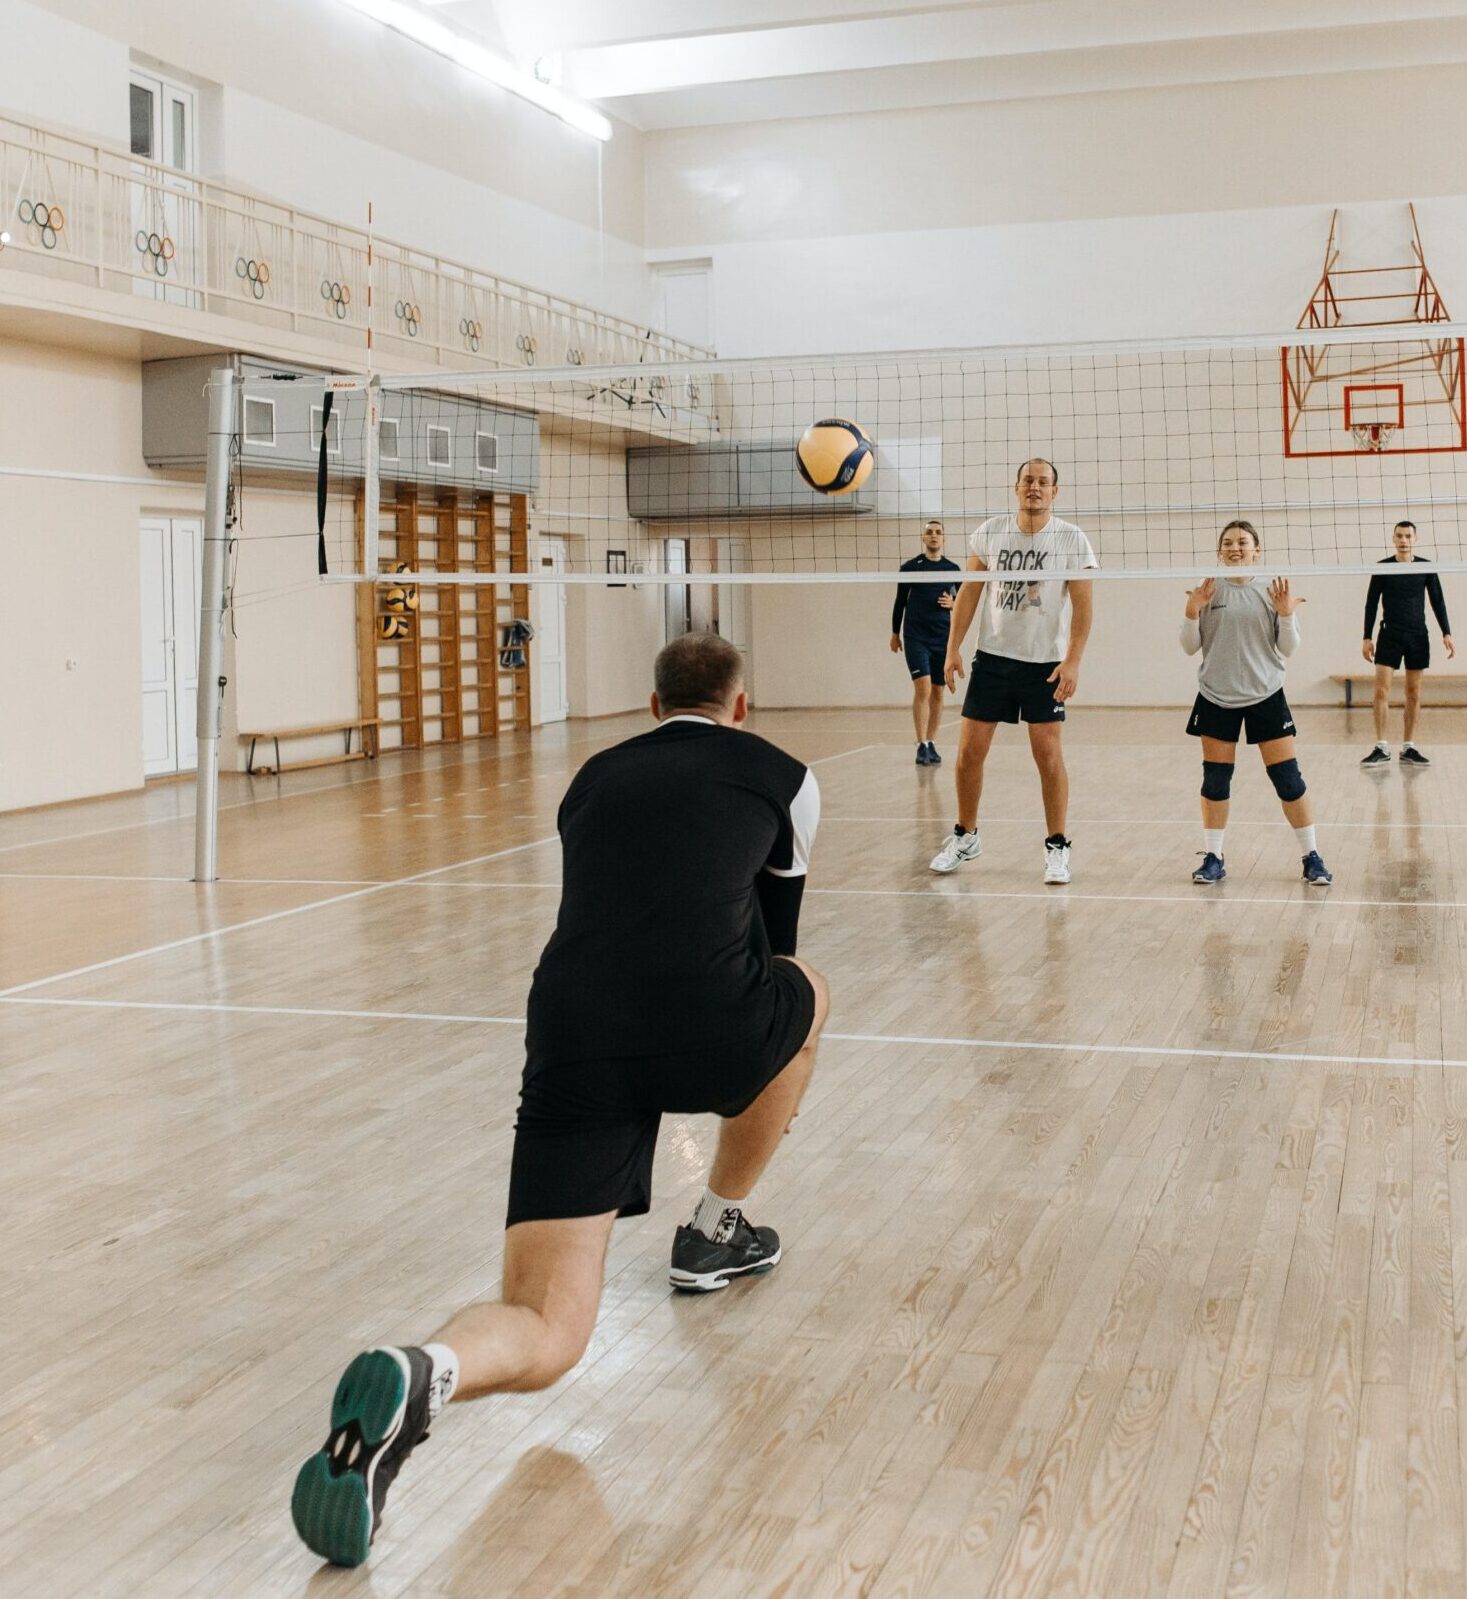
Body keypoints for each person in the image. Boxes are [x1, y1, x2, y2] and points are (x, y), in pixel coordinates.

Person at [290, 633, 829, 1569]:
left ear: (653, 707)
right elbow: (772, 941)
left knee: (548, 1328)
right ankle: (719, 1224)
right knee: (807, 986)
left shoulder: (590, 777)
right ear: (741, 706)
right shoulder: (785, 776)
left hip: (573, 1026)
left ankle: (428, 1370)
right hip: (709, 1020)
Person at [929, 458, 1096, 885]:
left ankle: (1057, 845)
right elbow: (969, 593)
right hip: (994, 659)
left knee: (1049, 756)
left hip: (1045, 663)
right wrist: (953, 649)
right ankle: (966, 835)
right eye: (1028, 481)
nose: (1034, 488)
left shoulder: (1072, 540)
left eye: (1043, 482)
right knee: (968, 754)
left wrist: (1073, 660)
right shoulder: (991, 532)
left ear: (1055, 491)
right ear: (1016, 487)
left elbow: (1082, 606)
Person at [1183, 519, 1332, 887]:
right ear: (1220, 552)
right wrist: (1191, 611)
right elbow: (1189, 647)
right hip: (1217, 696)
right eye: (1229, 543)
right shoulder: (1208, 590)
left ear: (1256, 550)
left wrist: (1286, 614)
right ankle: (1214, 857)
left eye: (1243, 542)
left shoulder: (1270, 589)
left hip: (1265, 695)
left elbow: (1288, 649)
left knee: (1288, 779)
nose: (1236, 547)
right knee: (1216, 781)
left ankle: (1311, 856)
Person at [1360, 519, 1454, 766]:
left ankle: (1408, 747)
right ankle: (1381, 746)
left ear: (1415, 539)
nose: (1403, 540)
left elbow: (1438, 601)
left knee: (1414, 692)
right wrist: (1366, 637)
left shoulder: (1425, 567)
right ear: (1393, 539)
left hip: (1417, 636)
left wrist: (1447, 632)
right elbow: (1371, 603)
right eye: (1399, 536)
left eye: (1407, 536)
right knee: (1381, 690)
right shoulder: (1383, 568)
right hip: (1389, 635)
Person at [890, 519, 960, 764]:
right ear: (923, 538)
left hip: (942, 637)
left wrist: (954, 603)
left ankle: (931, 742)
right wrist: (894, 633)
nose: (934, 536)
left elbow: (963, 601)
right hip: (915, 636)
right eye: (929, 532)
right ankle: (920, 744)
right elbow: (900, 601)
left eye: (938, 532)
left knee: (938, 693)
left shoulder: (953, 569)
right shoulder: (910, 568)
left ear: (944, 539)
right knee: (924, 688)